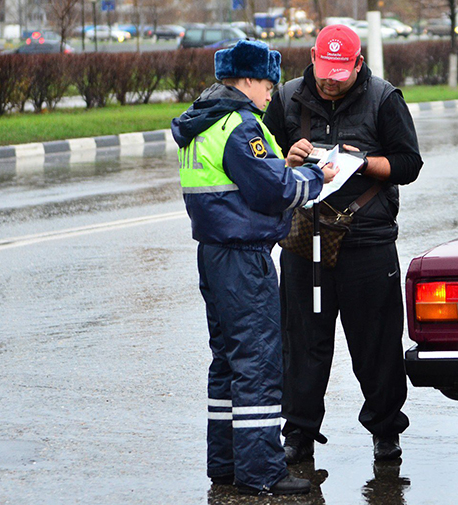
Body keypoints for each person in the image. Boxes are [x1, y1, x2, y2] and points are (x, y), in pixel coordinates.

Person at [171, 39, 337, 496]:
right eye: (267, 83)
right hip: (244, 258)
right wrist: (313, 177)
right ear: (246, 80)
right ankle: (262, 471)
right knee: (258, 361)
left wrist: (283, 170)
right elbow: (274, 190)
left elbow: (238, 184)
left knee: (226, 361)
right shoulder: (241, 126)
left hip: (213, 254)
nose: (271, 92)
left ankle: (225, 465)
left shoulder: (201, 121)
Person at [262, 24, 423, 463]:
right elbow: (262, 160)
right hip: (304, 239)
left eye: (340, 71)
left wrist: (364, 164)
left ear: (358, 63)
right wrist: (287, 159)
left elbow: (410, 163)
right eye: (324, 68)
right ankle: (298, 432)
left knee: (376, 344)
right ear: (312, 57)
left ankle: (386, 431)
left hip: (367, 241)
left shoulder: (384, 99)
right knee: (302, 343)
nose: (330, 79)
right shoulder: (287, 97)